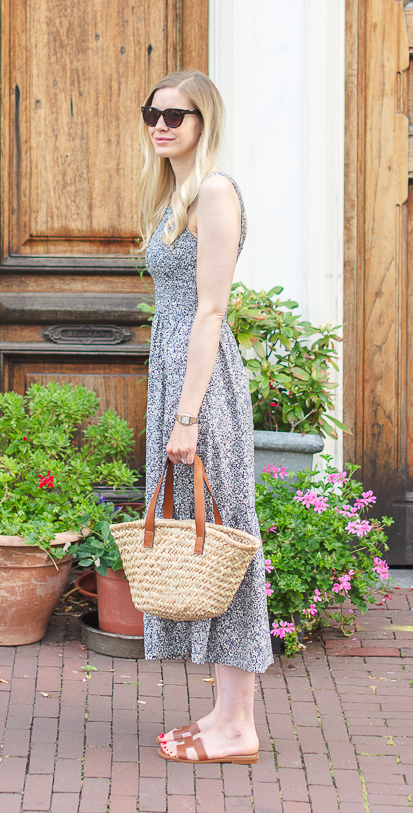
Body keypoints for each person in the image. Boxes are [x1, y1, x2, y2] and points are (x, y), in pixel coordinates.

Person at [139, 69, 273, 765]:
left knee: (222, 538)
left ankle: (238, 728)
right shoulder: (175, 194)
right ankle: (224, 714)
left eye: (177, 115)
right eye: (152, 113)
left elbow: (211, 310)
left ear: (203, 120)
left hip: (204, 390)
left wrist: (187, 415)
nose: (162, 124)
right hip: (178, 383)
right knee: (205, 539)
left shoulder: (215, 192)